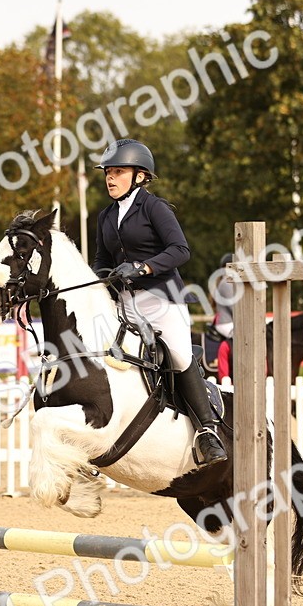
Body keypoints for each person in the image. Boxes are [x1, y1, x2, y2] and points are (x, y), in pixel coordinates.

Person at [92, 138, 227, 467]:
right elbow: (100, 260)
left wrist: (143, 267)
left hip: (162, 300)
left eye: (118, 172)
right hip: (124, 303)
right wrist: (101, 279)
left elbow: (180, 250)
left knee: (179, 355)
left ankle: (207, 431)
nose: (110, 178)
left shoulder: (154, 208)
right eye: (108, 172)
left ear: (139, 176)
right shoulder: (106, 216)